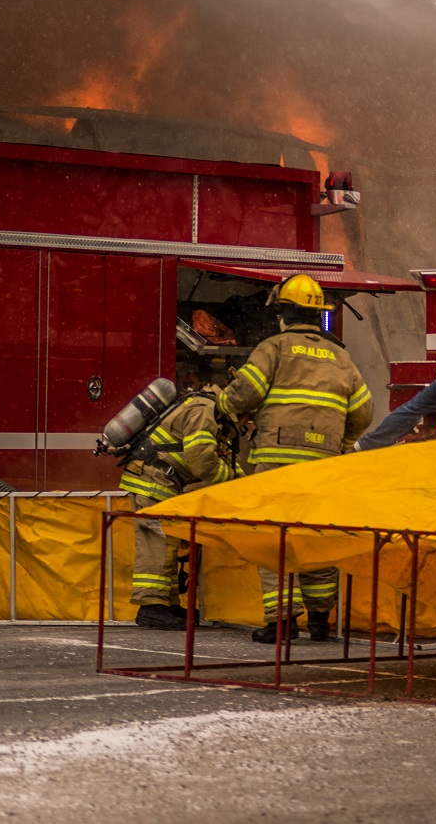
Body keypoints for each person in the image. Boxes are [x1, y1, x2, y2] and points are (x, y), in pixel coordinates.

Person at [216, 274, 374, 644]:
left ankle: (282, 622)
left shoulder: (274, 349)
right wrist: (336, 444)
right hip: (322, 467)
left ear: (283, 314)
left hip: (277, 466)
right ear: (318, 315)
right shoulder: (341, 358)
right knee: (315, 537)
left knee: (274, 540)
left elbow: (243, 394)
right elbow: (364, 413)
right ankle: (319, 620)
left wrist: (223, 403)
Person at [121, 360, 241, 630]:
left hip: (162, 483)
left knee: (168, 545)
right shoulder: (203, 410)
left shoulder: (211, 411)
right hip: (152, 483)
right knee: (156, 546)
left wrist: (244, 481)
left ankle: (167, 603)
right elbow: (202, 462)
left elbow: (222, 459)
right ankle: (150, 608)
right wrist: (233, 479)